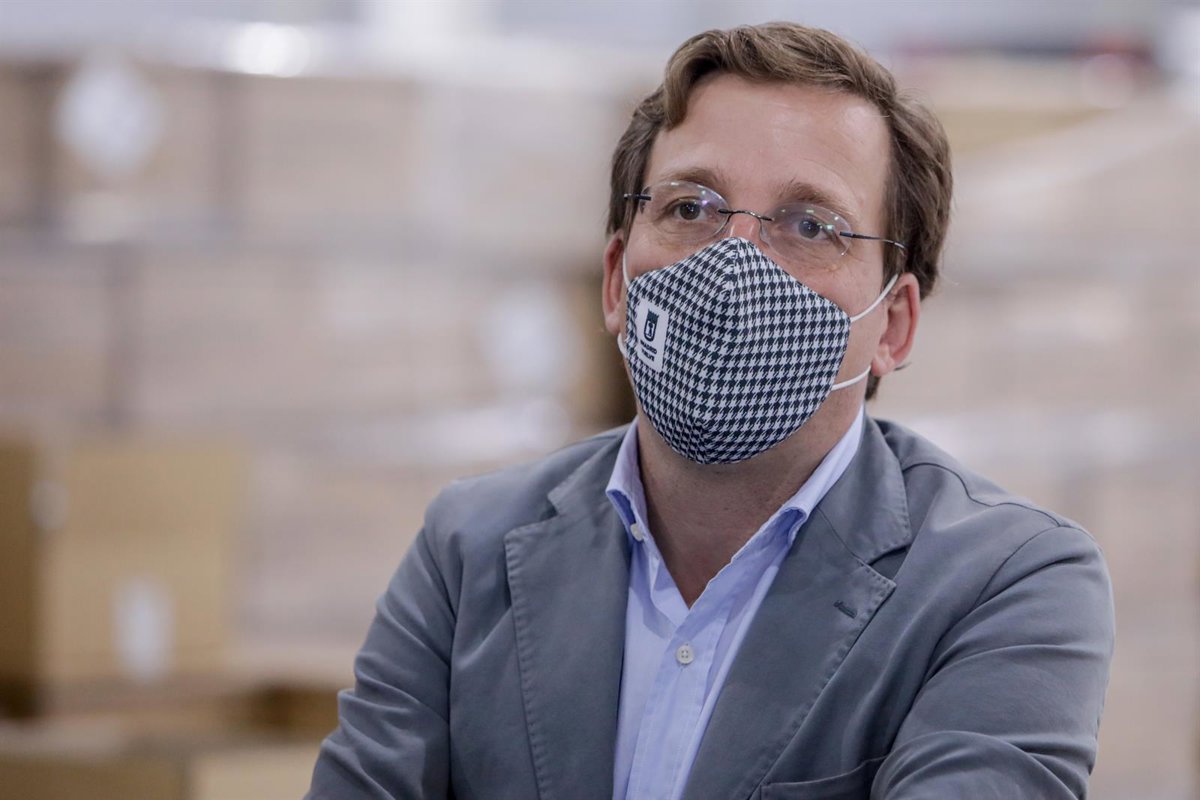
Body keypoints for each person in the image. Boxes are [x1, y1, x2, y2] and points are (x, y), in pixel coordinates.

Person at [307, 22, 1114, 800]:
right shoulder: (469, 548)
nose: (733, 263)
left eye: (811, 225)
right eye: (690, 208)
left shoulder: (1006, 584)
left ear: (893, 325)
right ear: (618, 280)